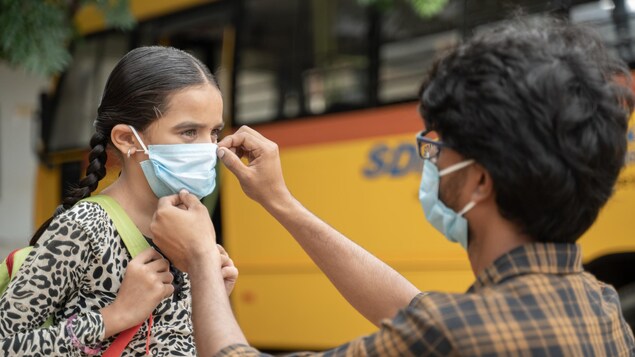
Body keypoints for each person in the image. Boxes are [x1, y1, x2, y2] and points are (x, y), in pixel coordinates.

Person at [150, 17, 635, 356]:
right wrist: (281, 203)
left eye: (440, 145)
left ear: (480, 181)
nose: (431, 155)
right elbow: (415, 311)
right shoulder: (601, 305)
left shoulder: (455, 333)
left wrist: (200, 262)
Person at [0, 46, 237, 356]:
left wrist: (212, 296)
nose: (209, 148)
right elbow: (7, 345)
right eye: (189, 132)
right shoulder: (84, 227)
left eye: (214, 132)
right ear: (126, 139)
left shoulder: (191, 226)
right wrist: (114, 316)